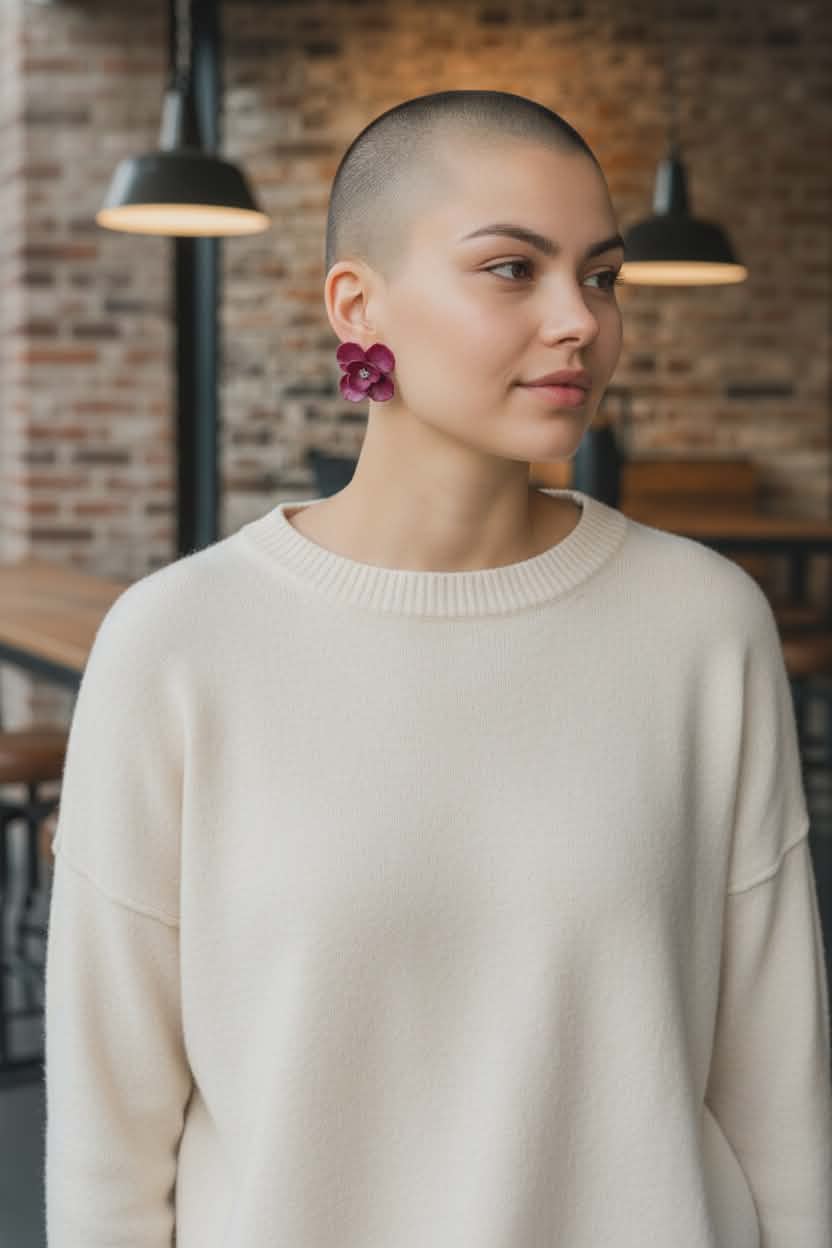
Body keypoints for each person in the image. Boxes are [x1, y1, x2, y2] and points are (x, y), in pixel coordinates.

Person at [44, 89, 831, 1247]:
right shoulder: (175, 645)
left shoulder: (703, 625)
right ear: (356, 305)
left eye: (602, 276)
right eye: (512, 269)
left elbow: (775, 1089)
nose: (578, 320)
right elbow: (109, 1144)